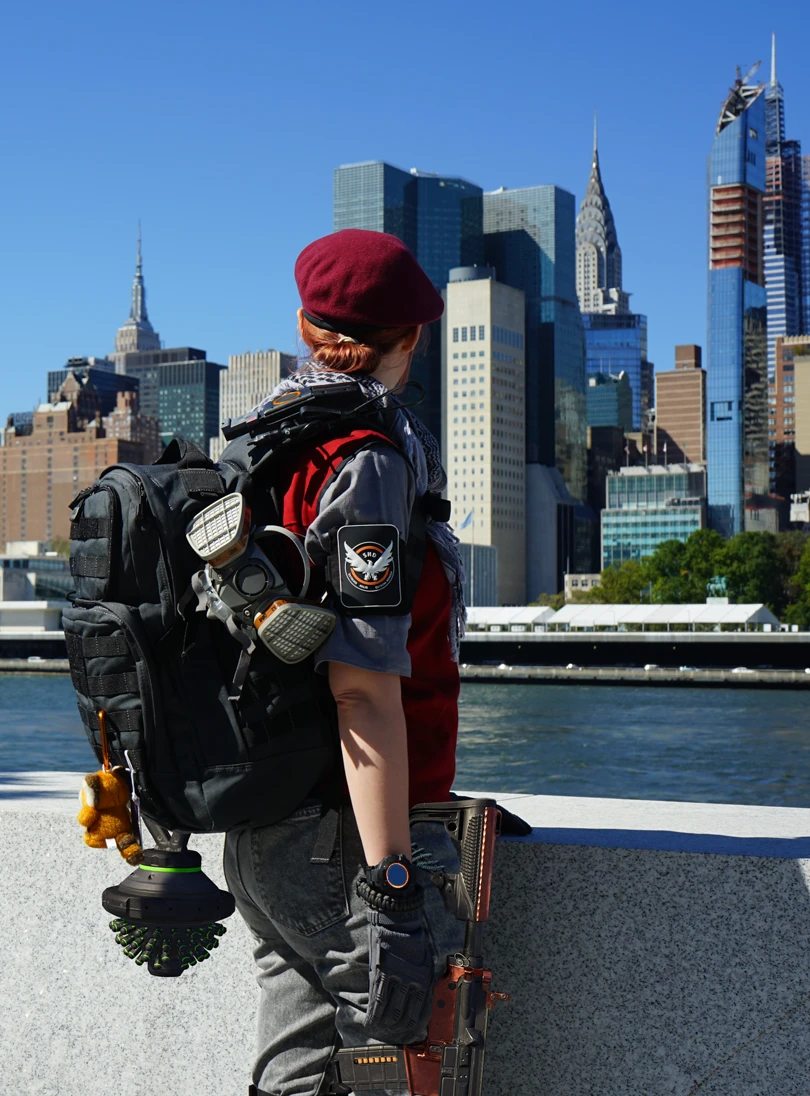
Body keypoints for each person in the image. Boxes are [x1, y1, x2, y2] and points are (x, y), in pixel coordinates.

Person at [223, 228, 468, 1096]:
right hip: (342, 833)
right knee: (408, 1059)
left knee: (297, 1072)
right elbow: (361, 688)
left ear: (303, 323)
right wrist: (394, 885)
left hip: (268, 825)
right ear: (413, 341)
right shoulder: (364, 459)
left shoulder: (256, 444)